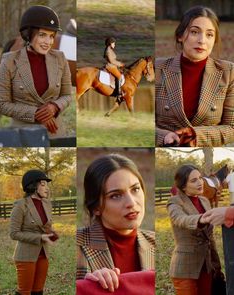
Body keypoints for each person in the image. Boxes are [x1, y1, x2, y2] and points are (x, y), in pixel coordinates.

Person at [155, 6, 234, 147]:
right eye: (194, 32)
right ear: (180, 36)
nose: (202, 40)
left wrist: (195, 135)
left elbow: (231, 128)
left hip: (206, 151)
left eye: (209, 34)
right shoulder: (157, 69)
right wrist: (163, 136)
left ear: (214, 40)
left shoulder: (229, 72)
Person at [76, 154, 155, 293]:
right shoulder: (76, 245)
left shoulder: (155, 242)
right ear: (96, 207)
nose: (131, 203)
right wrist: (86, 287)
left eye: (135, 189)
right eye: (115, 196)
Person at [0, 5, 72, 138]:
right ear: (28, 35)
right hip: (22, 134)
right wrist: (35, 113)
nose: (48, 42)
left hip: (55, 133)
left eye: (51, 36)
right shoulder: (9, 60)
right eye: (42, 35)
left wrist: (54, 106)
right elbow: (1, 104)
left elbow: (67, 95)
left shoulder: (60, 58)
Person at [167, 164, 222, 295]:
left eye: (200, 178)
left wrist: (216, 265)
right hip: (185, 267)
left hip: (207, 266)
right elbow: (180, 219)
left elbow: (210, 237)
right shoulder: (174, 202)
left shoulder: (204, 200)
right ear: (183, 186)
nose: (200, 183)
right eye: (194, 180)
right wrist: (200, 219)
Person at [10, 169, 59, 295]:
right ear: (32, 186)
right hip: (26, 255)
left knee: (38, 291)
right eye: (43, 184)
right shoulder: (20, 206)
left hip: (44, 254)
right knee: (25, 292)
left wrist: (51, 233)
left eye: (47, 184)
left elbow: (44, 226)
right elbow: (14, 233)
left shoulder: (47, 203)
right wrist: (40, 237)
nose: (47, 188)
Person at [104, 37, 125, 101]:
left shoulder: (110, 50)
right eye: (113, 43)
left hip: (113, 66)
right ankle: (118, 93)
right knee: (119, 76)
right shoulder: (108, 50)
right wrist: (120, 64)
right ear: (110, 43)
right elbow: (111, 61)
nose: (114, 45)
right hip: (110, 66)